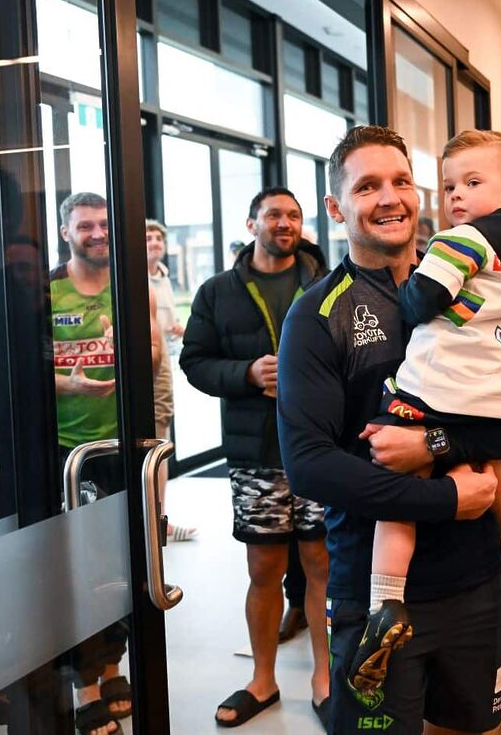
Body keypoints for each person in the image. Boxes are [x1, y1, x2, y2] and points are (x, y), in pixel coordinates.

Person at [279, 125, 501, 735]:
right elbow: (308, 464)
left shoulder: (478, 281)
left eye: (401, 181)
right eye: (367, 186)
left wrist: (437, 445)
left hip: (478, 581)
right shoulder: (317, 315)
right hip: (375, 593)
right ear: (336, 206)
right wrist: (442, 497)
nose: (389, 198)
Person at [348, 130, 501, 696]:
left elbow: (421, 300)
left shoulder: (461, 240)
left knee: (399, 489)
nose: (457, 197)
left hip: (435, 392)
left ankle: (384, 604)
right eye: (449, 186)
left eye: (472, 183)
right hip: (499, 398)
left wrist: (412, 295)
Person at [179, 186, 332, 729]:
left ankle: (324, 678)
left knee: (322, 564)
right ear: (252, 224)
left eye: (293, 215)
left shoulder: (329, 283)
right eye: (274, 214)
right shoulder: (218, 291)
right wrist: (245, 373)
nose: (285, 223)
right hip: (257, 452)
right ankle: (263, 680)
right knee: (264, 567)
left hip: (321, 446)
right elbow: (194, 361)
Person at [50, 193, 161, 735]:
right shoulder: (46, 291)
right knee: (77, 572)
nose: (97, 233)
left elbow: (158, 358)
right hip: (68, 455)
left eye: (103, 224)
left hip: (125, 449)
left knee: (123, 567)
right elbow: (24, 368)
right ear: (65, 231)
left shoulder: (128, 283)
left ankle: (113, 665)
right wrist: (66, 383)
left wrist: (135, 342)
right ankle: (83, 685)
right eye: (85, 225)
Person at [144, 219, 195, 544]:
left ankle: (158, 519)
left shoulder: (162, 277)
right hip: (141, 367)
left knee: (159, 444)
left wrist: (174, 328)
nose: (153, 242)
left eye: (158, 237)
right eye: (147, 237)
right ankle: (149, 520)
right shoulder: (133, 275)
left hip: (161, 366)